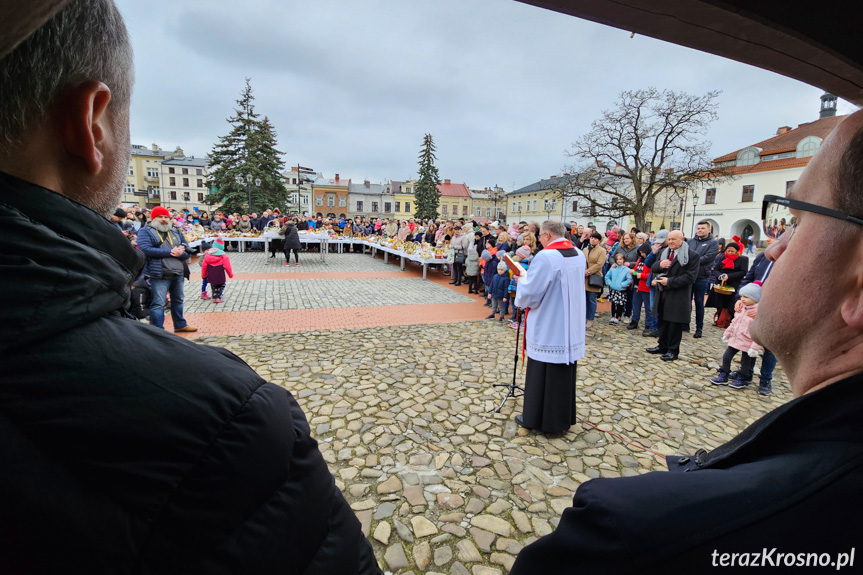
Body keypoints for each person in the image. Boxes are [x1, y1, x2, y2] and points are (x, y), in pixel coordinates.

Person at [0, 3, 379, 573]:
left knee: (168, 303)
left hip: (159, 288)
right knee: (162, 303)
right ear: (91, 122)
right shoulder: (223, 418)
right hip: (155, 311)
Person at [511, 109, 863, 575]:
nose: (773, 249)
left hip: (559, 327)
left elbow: (532, 292)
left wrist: (517, 279)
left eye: (797, 218)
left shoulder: (629, 531)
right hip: (567, 329)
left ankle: (546, 416)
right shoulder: (571, 254)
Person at [513, 220, 585, 433]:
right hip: (570, 324)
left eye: (540, 237)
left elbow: (532, 293)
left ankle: (536, 419)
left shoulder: (546, 256)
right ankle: (561, 419)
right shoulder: (577, 253)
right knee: (563, 372)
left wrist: (521, 281)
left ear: (546, 236)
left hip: (550, 322)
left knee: (542, 372)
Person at [137, 206, 197, 332]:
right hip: (159, 273)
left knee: (178, 300)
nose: (164, 220)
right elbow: (145, 249)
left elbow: (186, 251)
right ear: (153, 218)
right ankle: (157, 329)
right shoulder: (145, 231)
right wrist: (170, 251)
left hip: (178, 272)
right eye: (160, 217)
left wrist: (181, 253)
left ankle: (180, 324)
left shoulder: (175, 231)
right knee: (158, 303)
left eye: (166, 217)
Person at [646, 230, 699, 361]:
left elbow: (690, 277)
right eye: (669, 239)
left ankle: (672, 350)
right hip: (663, 293)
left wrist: (669, 282)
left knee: (674, 324)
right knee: (662, 321)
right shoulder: (665, 252)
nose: (671, 242)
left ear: (682, 239)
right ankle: (662, 346)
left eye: (674, 239)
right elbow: (653, 268)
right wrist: (659, 264)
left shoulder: (692, 255)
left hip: (678, 295)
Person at [735, 251, 777, 394]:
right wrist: (740, 298)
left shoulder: (791, 258)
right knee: (749, 340)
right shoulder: (762, 256)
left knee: (769, 347)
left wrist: (764, 308)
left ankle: (765, 379)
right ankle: (746, 373)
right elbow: (748, 278)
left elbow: (790, 291)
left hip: (774, 310)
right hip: (751, 307)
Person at [710, 281, 763, 389]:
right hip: (735, 339)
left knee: (745, 361)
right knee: (726, 356)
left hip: (747, 341)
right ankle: (724, 374)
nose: (743, 299)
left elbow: (759, 331)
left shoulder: (756, 313)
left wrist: (755, 347)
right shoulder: (741, 308)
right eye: (742, 296)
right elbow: (734, 322)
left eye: (746, 297)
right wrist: (727, 333)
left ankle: (742, 378)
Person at [687, 220, 719, 338]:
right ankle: (685, 324)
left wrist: (690, 261)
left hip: (701, 276)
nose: (700, 230)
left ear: (708, 230)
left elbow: (708, 258)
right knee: (687, 301)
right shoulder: (690, 241)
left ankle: (699, 328)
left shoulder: (713, 243)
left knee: (699, 302)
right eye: (698, 228)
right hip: (688, 275)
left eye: (703, 228)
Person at [705, 241, 749, 322]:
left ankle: (730, 319)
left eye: (732, 251)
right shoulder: (723, 257)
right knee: (719, 301)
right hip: (721, 283)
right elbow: (716, 270)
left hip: (734, 283)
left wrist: (729, 276)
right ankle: (719, 318)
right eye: (728, 251)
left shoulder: (743, 259)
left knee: (731, 303)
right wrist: (720, 276)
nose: (730, 253)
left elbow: (743, 272)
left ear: (736, 251)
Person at [627, 242, 654, 332]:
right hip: (636, 286)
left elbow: (651, 274)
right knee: (635, 305)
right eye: (640, 252)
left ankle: (648, 324)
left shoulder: (651, 261)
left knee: (648, 307)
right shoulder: (639, 260)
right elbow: (636, 269)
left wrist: (641, 275)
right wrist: (633, 272)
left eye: (643, 252)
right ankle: (634, 321)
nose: (642, 254)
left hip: (646, 287)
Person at [583, 231, 606, 329]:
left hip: (594, 276)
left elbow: (600, 264)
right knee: (584, 300)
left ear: (599, 240)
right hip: (584, 277)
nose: (593, 239)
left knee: (591, 299)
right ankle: (584, 317)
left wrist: (588, 271)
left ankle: (590, 319)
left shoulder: (601, 250)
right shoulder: (585, 249)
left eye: (595, 238)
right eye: (592, 237)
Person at [200, 238, 234, 303]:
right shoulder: (223, 256)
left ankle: (215, 298)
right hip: (220, 273)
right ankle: (218, 297)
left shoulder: (207, 256)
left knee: (214, 285)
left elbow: (204, 266)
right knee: (221, 285)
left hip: (211, 274)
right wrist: (230, 274)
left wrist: (204, 275)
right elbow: (227, 266)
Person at [604, 253, 632, 325]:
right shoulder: (613, 268)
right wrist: (610, 283)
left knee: (620, 304)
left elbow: (629, 279)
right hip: (613, 288)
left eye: (620, 259)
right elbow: (607, 276)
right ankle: (613, 316)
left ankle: (618, 316)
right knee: (613, 303)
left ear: (623, 260)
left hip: (621, 289)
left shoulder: (627, 270)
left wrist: (622, 285)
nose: (619, 261)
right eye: (617, 259)